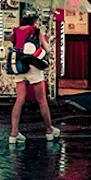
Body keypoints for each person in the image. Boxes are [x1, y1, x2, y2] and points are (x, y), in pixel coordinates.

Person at [8, 15, 60, 144]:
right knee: (42, 100)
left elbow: (16, 45)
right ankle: (49, 131)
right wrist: (46, 40)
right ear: (34, 20)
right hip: (33, 66)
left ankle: (14, 134)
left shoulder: (15, 31)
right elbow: (47, 50)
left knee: (19, 100)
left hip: (19, 66)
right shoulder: (36, 31)